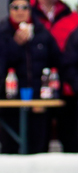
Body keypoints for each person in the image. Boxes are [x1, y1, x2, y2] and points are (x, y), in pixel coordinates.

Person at [0, 0, 61, 154]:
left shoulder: (41, 32)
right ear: (9, 10)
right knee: (10, 149)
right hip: (10, 102)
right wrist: (15, 44)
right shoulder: (1, 32)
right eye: (15, 7)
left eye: (24, 7)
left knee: (38, 149)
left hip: (38, 101)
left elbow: (56, 62)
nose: (20, 11)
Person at [30, 0, 78, 152]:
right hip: (37, 90)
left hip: (67, 93)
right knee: (37, 143)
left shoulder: (68, 15)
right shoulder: (27, 11)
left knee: (71, 143)